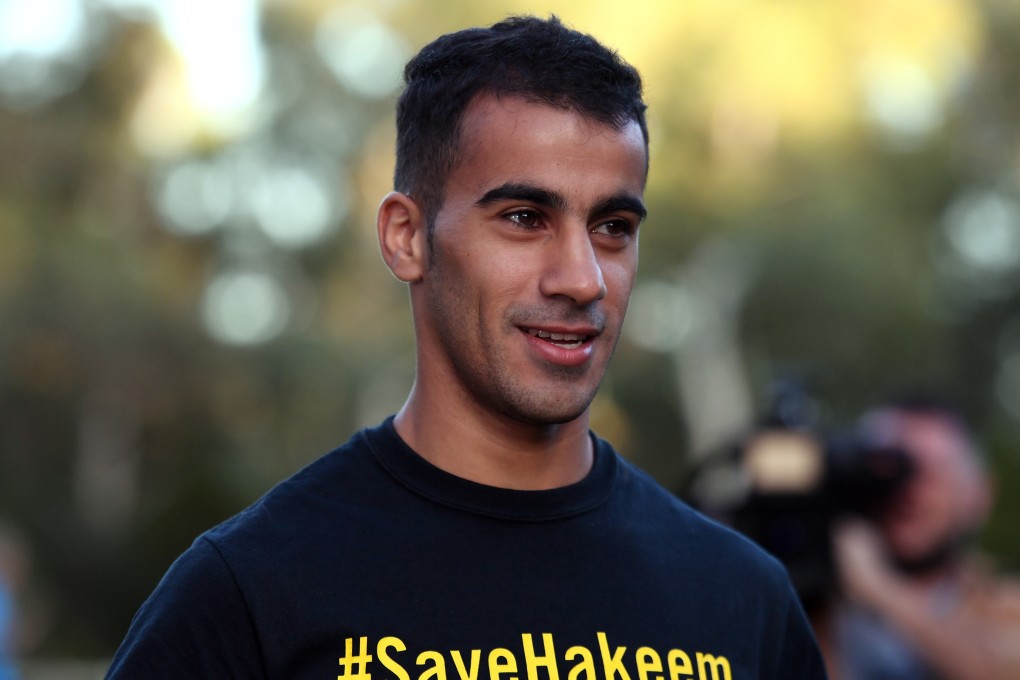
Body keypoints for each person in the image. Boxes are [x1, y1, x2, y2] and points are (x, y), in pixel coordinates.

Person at [107, 15, 827, 679]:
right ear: (406, 238)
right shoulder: (251, 595)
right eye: (524, 217)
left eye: (612, 227)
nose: (582, 279)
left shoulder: (744, 601)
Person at [832, 397, 1020, 679]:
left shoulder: (1008, 609)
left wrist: (879, 588)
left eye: (931, 472)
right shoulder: (816, 603)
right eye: (890, 470)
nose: (909, 491)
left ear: (976, 493)